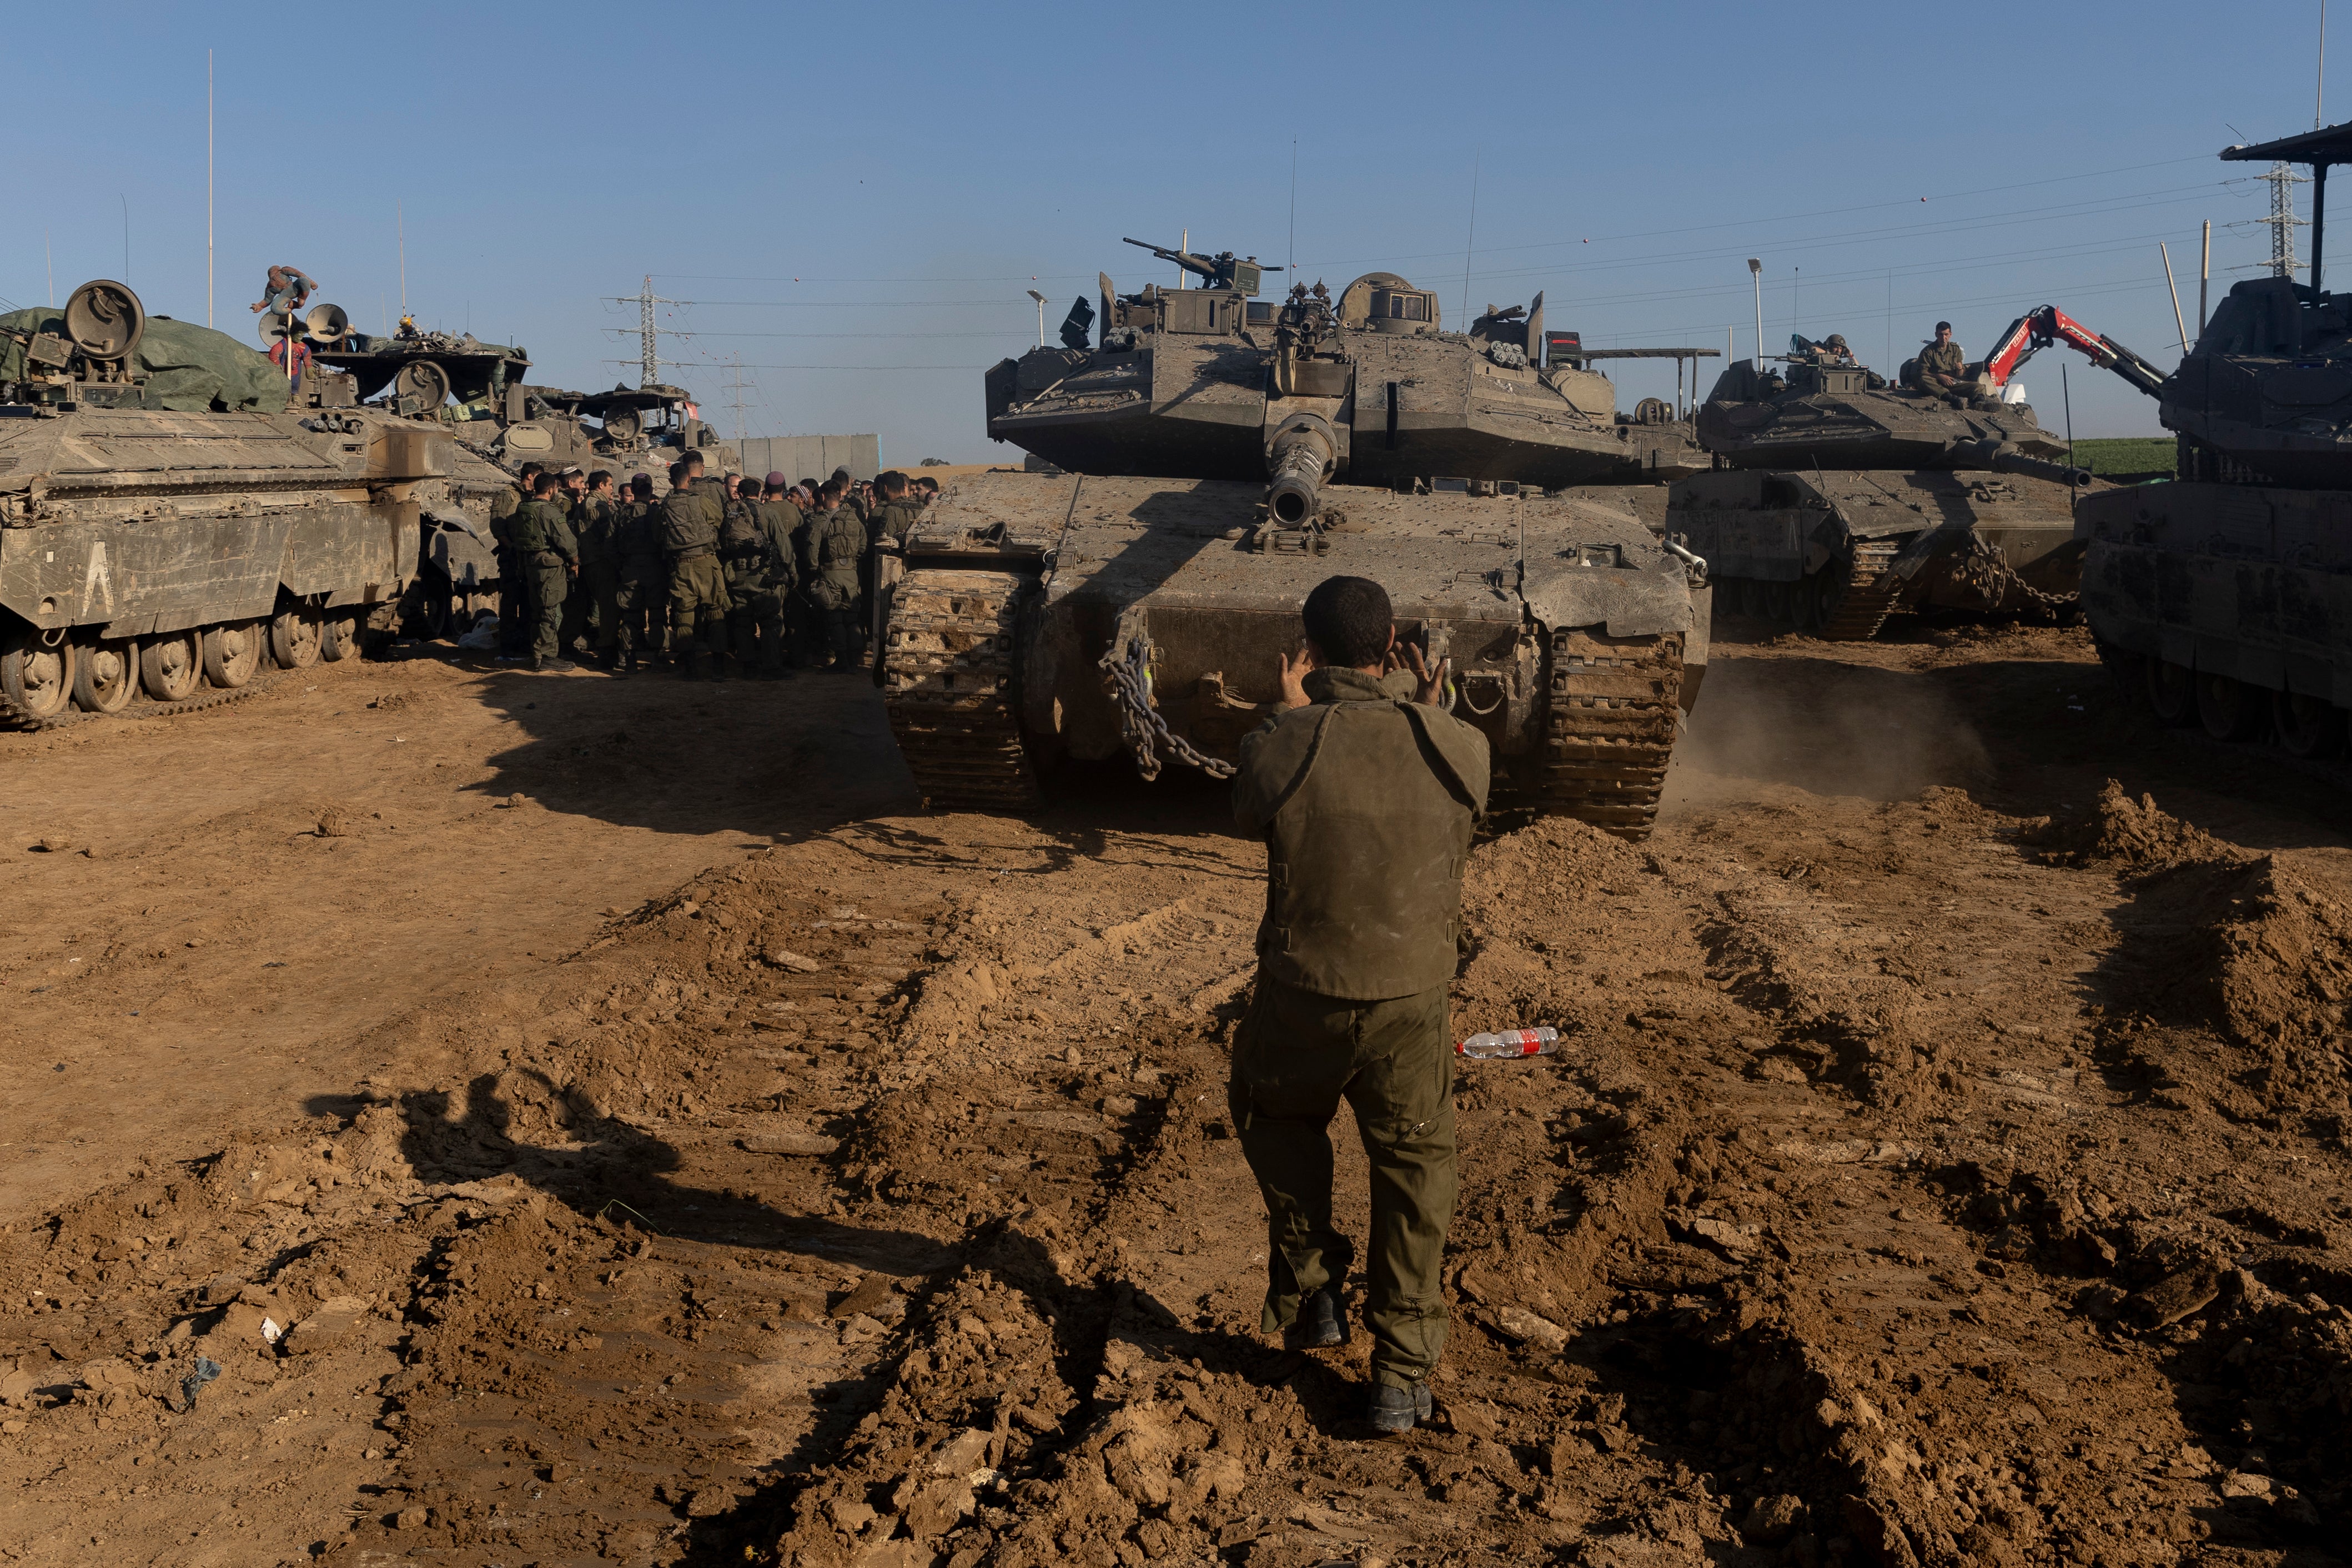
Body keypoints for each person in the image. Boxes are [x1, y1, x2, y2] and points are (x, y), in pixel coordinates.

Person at [1228, 575, 1490, 1436]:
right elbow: (1463, 802)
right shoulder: (1458, 743)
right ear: (1394, 650)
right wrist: (1430, 706)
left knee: (1276, 1115)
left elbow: (1247, 807)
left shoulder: (1285, 739)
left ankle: (1314, 1299)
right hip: (1412, 1004)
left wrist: (1291, 708)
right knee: (1415, 1170)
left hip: (1302, 995)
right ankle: (1402, 1379)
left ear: (1309, 649)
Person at [661, 460, 731, 680]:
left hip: (681, 566)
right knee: (715, 612)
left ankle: (690, 669)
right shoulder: (700, 501)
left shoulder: (665, 506)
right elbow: (721, 520)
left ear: (671, 481)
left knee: (684, 616)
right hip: (707, 563)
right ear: (689, 479)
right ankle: (719, 667)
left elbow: (658, 536)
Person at [509, 471, 579, 672]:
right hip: (550, 566)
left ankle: (537, 654)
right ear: (551, 489)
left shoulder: (523, 507)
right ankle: (548, 655)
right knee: (549, 611)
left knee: (537, 611)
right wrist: (574, 560)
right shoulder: (549, 511)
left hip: (530, 564)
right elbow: (565, 540)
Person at [805, 476, 868, 671]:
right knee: (851, 617)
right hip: (851, 573)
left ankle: (841, 660)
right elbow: (863, 545)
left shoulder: (820, 521)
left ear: (822, 496)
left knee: (835, 617)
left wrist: (815, 570)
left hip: (830, 573)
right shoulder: (853, 518)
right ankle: (855, 658)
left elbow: (811, 552)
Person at [613, 474, 669, 675]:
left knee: (630, 616)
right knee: (657, 614)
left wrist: (621, 566)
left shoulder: (620, 513)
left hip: (630, 569)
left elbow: (610, 544)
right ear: (651, 489)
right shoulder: (658, 512)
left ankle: (629, 660)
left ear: (633, 491)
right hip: (655, 569)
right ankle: (658, 656)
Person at [491, 462, 543, 659]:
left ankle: (524, 641)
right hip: (511, 557)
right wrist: (510, 546)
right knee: (511, 603)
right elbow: (497, 526)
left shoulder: (531, 497)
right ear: (530, 476)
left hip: (528, 559)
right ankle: (507, 645)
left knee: (529, 602)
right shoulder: (507, 495)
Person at [575, 471, 625, 673]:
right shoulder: (598, 506)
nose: (612, 488)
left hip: (592, 561)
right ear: (601, 485)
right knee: (609, 609)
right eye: (610, 484)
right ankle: (606, 653)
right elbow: (609, 535)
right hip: (600, 562)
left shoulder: (587, 503)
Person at [1911, 320, 1973, 404]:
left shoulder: (1955, 349)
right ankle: (1952, 399)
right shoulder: (1928, 351)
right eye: (1941, 335)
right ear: (1936, 334)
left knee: (1978, 387)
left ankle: (1981, 402)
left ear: (1950, 334)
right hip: (1936, 383)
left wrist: (1960, 369)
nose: (1944, 338)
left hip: (1952, 382)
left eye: (1946, 335)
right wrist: (1939, 376)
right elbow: (1922, 372)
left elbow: (1960, 375)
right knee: (1924, 380)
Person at [248, 265, 318, 317]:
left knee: (303, 280)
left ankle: (302, 299)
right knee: (275, 309)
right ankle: (292, 307)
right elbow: (267, 299)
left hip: (294, 287)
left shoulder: (283, 271)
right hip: (285, 295)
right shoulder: (270, 286)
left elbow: (298, 274)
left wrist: (312, 284)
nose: (273, 272)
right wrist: (259, 306)